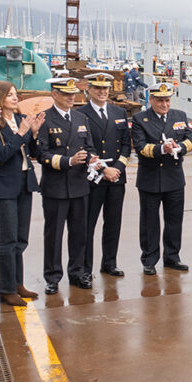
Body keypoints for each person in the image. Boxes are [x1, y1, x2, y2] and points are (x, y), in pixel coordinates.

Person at [0, 81, 44, 306]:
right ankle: (6, 288)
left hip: (24, 183)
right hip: (3, 186)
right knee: (7, 240)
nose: (15, 98)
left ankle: (18, 283)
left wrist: (34, 134)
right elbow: (1, 154)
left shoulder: (20, 120)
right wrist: (20, 134)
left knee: (21, 238)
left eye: (16, 94)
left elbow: (33, 152)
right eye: (10, 95)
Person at [36, 77, 95, 294]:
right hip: (56, 186)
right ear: (54, 94)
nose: (71, 98)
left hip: (79, 185)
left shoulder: (81, 117)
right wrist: (68, 161)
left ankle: (77, 272)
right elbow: (41, 154)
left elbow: (89, 146)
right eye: (66, 94)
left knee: (79, 232)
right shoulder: (44, 119)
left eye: (73, 94)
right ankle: (52, 276)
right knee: (54, 235)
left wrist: (92, 158)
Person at [131, 83, 192, 275]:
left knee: (174, 221)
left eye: (167, 100)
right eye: (160, 100)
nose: (164, 104)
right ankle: (150, 259)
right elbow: (141, 148)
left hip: (174, 178)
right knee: (149, 222)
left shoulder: (179, 116)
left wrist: (179, 148)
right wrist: (162, 149)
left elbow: (191, 140)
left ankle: (172, 257)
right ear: (151, 100)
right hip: (150, 179)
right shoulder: (140, 119)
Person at [78, 73, 130, 279]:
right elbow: (81, 144)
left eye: (105, 88)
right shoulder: (80, 114)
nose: (102, 92)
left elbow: (126, 144)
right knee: (87, 225)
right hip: (94, 178)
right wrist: (103, 169)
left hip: (116, 177)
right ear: (89, 90)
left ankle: (109, 263)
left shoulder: (120, 112)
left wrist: (117, 167)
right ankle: (85, 268)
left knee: (113, 222)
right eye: (97, 88)